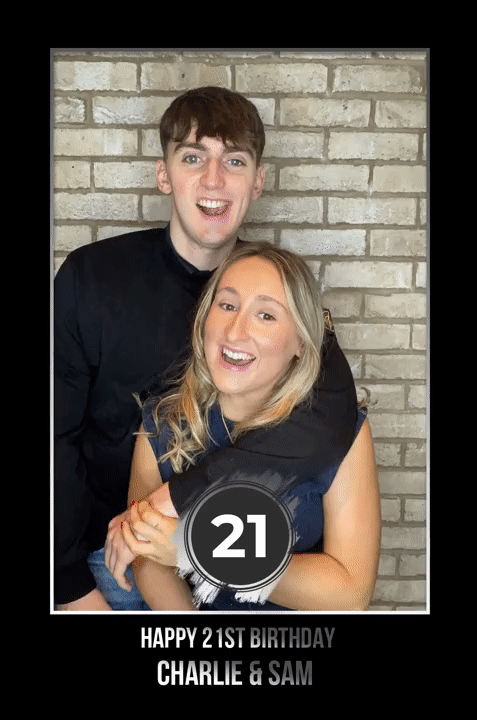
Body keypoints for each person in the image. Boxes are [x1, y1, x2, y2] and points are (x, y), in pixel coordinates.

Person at [54, 86, 358, 611]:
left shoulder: (281, 290)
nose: (213, 180)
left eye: (233, 161)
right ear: (163, 174)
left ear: (258, 181)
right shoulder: (91, 278)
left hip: (224, 556)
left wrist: (180, 511)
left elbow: (333, 412)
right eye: (193, 157)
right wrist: (69, 588)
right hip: (110, 565)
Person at [109, 242, 380, 611]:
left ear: (301, 343)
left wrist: (200, 550)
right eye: (227, 305)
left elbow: (350, 592)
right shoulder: (162, 424)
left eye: (266, 315)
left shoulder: (344, 434)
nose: (235, 331)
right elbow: (145, 557)